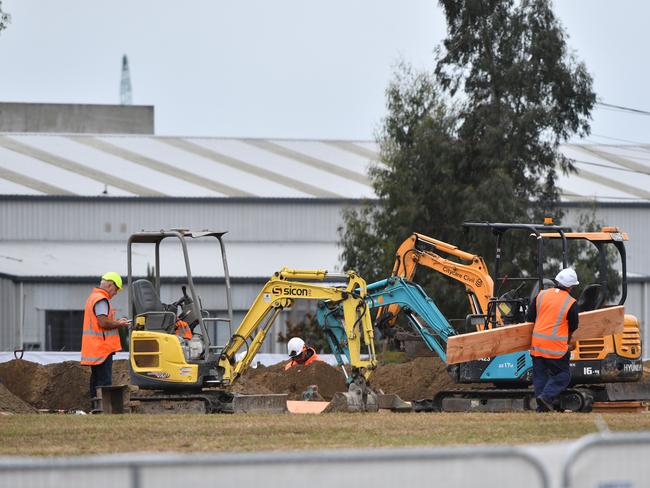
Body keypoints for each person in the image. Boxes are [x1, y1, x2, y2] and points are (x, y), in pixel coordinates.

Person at [527, 268, 580, 412]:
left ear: (557, 281)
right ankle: (547, 397)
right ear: (571, 286)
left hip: (537, 345)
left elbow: (530, 317)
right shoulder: (570, 302)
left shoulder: (541, 295)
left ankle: (541, 409)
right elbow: (574, 325)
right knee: (563, 375)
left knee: (540, 377)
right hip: (555, 347)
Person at [80, 272, 129, 398]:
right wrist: (119, 324)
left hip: (95, 347)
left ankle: (96, 407)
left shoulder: (93, 297)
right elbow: (103, 322)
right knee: (104, 381)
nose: (116, 293)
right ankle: (104, 408)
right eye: (116, 289)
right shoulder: (101, 299)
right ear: (110, 285)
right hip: (102, 348)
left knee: (96, 380)